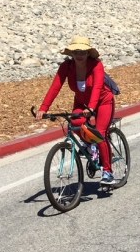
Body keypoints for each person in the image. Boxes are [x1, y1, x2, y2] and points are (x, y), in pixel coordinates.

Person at [35, 36, 117, 185]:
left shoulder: (96, 65)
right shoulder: (66, 66)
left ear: (88, 53)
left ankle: (107, 172)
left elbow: (98, 86)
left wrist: (92, 107)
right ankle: (90, 144)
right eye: (76, 52)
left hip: (103, 101)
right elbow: (55, 87)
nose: (80, 55)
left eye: (83, 52)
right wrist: (43, 108)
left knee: (100, 133)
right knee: (74, 123)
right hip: (82, 102)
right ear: (71, 53)